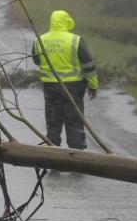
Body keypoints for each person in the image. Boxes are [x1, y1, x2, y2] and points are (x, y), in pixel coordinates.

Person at [32, 9, 98, 150]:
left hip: (50, 88)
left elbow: (37, 61)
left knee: (53, 121)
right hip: (73, 87)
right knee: (74, 121)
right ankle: (76, 155)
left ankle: (53, 152)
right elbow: (88, 66)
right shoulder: (75, 40)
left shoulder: (40, 40)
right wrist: (93, 85)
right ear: (67, 21)